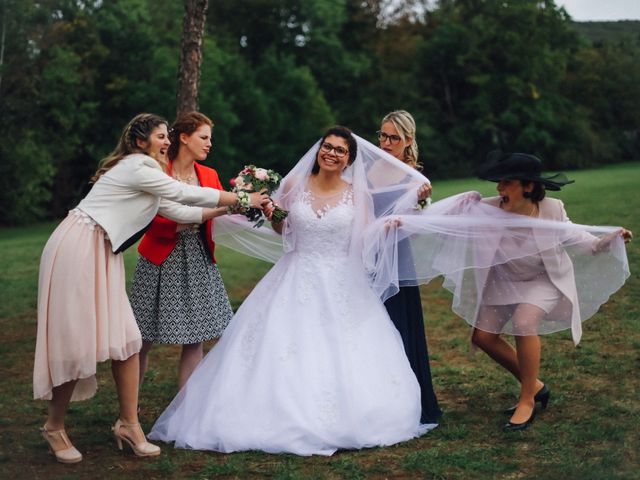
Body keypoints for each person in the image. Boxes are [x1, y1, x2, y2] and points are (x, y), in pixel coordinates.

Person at [148, 126, 437, 456]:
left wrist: (394, 221)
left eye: (340, 151)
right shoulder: (292, 185)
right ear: (318, 150)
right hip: (295, 272)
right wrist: (274, 215)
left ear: (349, 160)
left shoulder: (358, 194)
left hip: (342, 281)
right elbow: (281, 226)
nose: (331, 153)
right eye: (327, 147)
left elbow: (366, 236)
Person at [33, 113, 268, 464]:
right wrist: (242, 200)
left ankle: (129, 424)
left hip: (104, 250)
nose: (166, 141)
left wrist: (226, 206)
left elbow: (179, 210)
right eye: (160, 136)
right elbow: (182, 192)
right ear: (141, 142)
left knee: (128, 340)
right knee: (76, 341)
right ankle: (54, 426)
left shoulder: (150, 173)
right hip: (79, 246)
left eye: (167, 136)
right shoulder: (138, 165)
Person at [469, 151, 632, 431]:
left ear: (528, 186)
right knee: (483, 337)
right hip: (505, 280)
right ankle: (537, 386)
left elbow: (588, 244)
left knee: (524, 321)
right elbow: (444, 216)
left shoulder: (553, 210)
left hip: (542, 280)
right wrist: (421, 205)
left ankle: (527, 400)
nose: (499, 189)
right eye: (499, 183)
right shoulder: (490, 208)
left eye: (507, 183)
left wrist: (612, 239)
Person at [130, 112, 233, 391]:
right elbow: (156, 219)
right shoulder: (158, 171)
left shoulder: (209, 175)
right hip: (159, 258)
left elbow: (225, 211)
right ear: (184, 138)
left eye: (210, 138)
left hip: (197, 256)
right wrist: (223, 207)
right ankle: (130, 409)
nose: (210, 144)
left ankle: (186, 408)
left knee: (197, 336)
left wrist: (250, 201)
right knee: (141, 338)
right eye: (204, 137)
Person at [377, 110, 442, 424]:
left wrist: (415, 206)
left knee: (400, 327)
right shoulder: (368, 169)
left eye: (394, 138)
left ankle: (407, 401)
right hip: (365, 256)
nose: (386, 143)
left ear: (409, 141)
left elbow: (418, 229)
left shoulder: (416, 180)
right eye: (383, 135)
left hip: (398, 261)